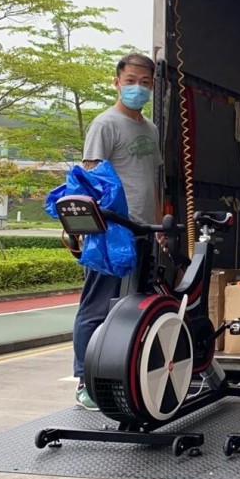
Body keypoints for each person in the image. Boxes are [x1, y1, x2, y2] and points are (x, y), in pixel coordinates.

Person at [72, 52, 163, 410]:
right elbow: (90, 178)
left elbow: (151, 181)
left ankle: (122, 376)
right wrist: (90, 228)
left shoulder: (150, 129)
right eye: (131, 81)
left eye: (145, 83)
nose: (137, 88)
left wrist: (157, 227)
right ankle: (85, 381)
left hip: (143, 231)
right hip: (111, 232)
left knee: (133, 308)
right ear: (116, 82)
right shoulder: (105, 125)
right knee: (97, 307)